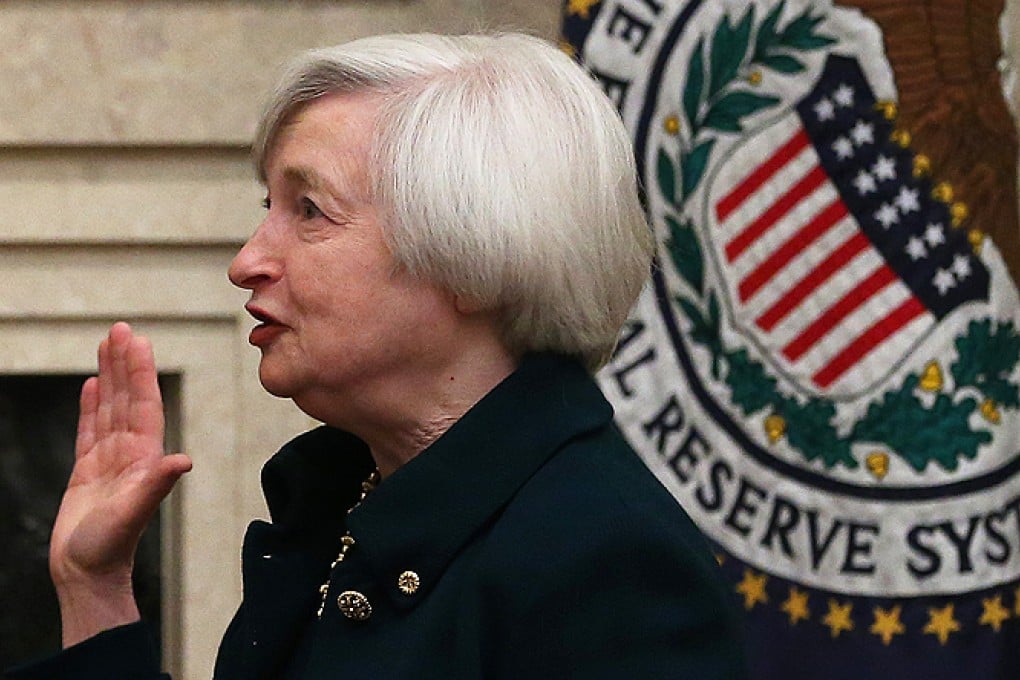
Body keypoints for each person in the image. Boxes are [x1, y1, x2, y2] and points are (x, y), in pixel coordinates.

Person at [7, 33, 745, 679]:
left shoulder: (605, 563)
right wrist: (92, 585)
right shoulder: (338, 503)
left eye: (310, 211)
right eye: (268, 209)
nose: (247, 261)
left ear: (471, 259)